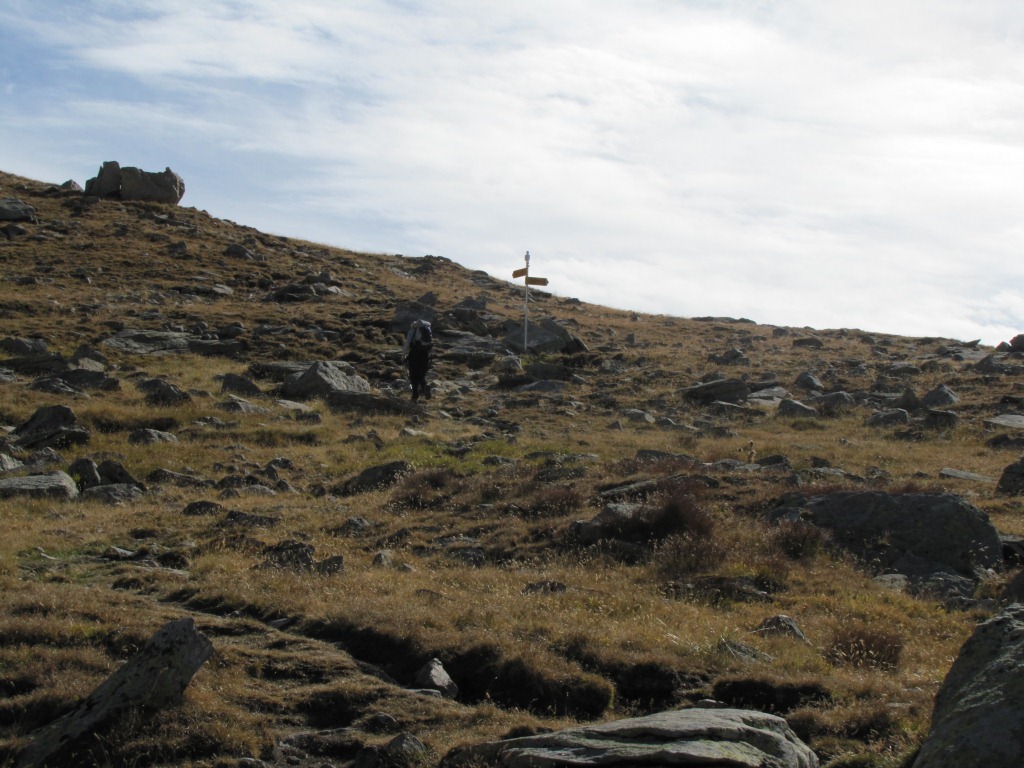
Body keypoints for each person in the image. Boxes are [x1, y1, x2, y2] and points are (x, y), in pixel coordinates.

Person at [402, 319, 433, 402]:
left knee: (413, 376)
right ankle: (425, 386)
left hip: (414, 355)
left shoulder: (413, 330)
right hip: (425, 355)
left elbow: (407, 344)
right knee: (421, 375)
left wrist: (403, 357)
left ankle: (415, 396)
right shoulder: (428, 330)